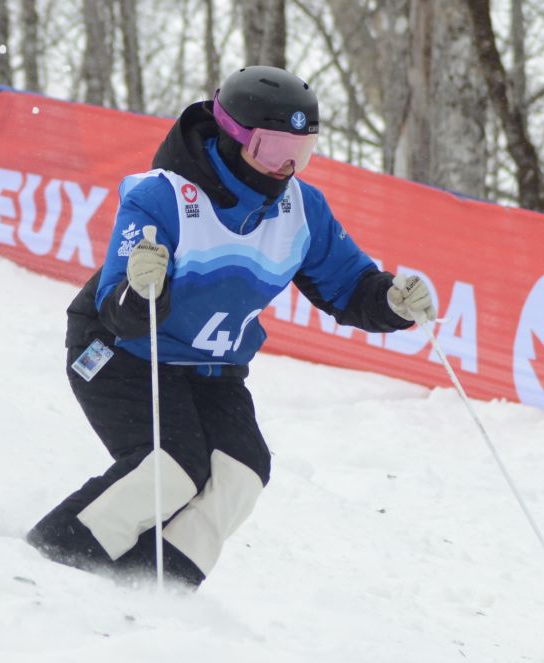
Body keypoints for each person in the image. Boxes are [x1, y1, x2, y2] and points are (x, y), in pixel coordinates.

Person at [26, 65, 436, 588]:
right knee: (168, 468)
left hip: (211, 368)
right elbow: (117, 306)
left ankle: (153, 588)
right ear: (234, 136)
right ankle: (53, 560)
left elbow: (350, 286)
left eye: (302, 151)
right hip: (121, 351)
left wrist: (392, 301)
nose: (287, 167)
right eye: (273, 150)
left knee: (239, 474)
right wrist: (142, 286)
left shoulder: (300, 209)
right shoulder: (162, 197)